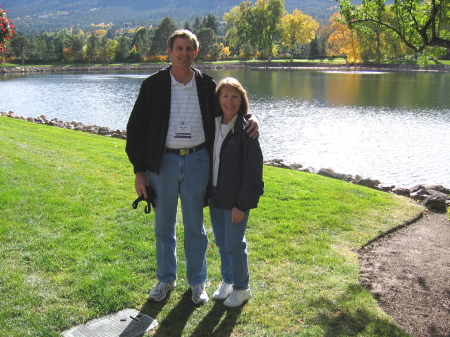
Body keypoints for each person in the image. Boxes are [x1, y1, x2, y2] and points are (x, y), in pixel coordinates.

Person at [125, 30, 259, 304]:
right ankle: (166, 278)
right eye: (179, 48)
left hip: (198, 161)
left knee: (195, 227)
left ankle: (197, 282)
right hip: (162, 164)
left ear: (196, 53)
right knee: (164, 227)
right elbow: (136, 130)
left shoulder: (206, 86)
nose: (184, 53)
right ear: (170, 52)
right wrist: (140, 171)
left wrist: (252, 117)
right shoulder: (153, 85)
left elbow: (230, 107)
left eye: (189, 49)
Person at [209, 77, 264, 308]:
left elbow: (253, 170)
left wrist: (241, 204)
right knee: (222, 243)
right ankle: (228, 281)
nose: (229, 101)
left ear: (242, 100)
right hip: (215, 195)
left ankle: (243, 288)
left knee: (234, 244)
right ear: (218, 99)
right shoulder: (211, 123)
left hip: (235, 200)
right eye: (225, 96)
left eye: (234, 96)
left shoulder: (246, 129)